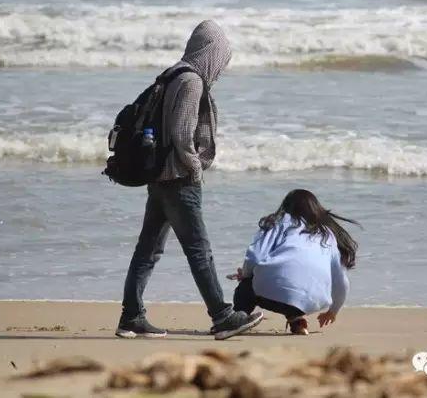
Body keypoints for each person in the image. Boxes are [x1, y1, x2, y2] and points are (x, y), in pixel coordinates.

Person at [116, 20, 263, 341]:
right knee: (199, 250)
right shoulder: (191, 81)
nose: (222, 65)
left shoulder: (173, 75)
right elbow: (182, 133)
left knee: (148, 250)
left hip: (161, 177)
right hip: (178, 178)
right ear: (209, 52)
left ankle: (131, 317)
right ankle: (223, 316)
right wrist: (194, 169)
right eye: (221, 56)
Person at [230, 189, 359, 335]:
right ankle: (298, 322)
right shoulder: (327, 234)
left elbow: (254, 257)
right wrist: (333, 311)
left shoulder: (278, 222)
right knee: (293, 287)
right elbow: (341, 281)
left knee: (246, 288)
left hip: (272, 292)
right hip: (311, 302)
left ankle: (237, 319)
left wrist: (246, 274)